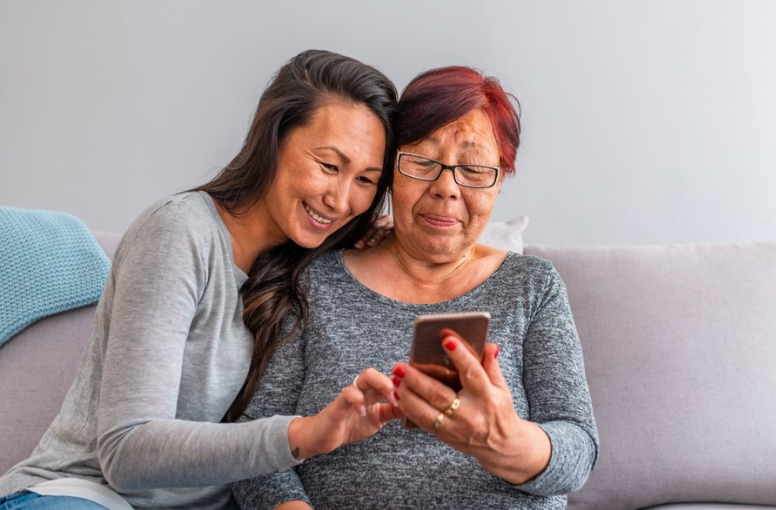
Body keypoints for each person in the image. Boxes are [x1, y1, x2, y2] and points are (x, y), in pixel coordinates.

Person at [0, 49, 401, 510]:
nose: (341, 199)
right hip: (85, 494)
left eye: (366, 181)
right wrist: (303, 434)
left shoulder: (308, 263)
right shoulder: (180, 232)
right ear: (272, 140)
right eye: (329, 166)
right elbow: (126, 451)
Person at [232, 66, 598, 510]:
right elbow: (255, 441)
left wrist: (507, 442)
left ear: (500, 179)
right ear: (390, 172)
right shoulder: (316, 280)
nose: (446, 188)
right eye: (423, 162)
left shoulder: (533, 287)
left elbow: (577, 448)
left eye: (474, 168)